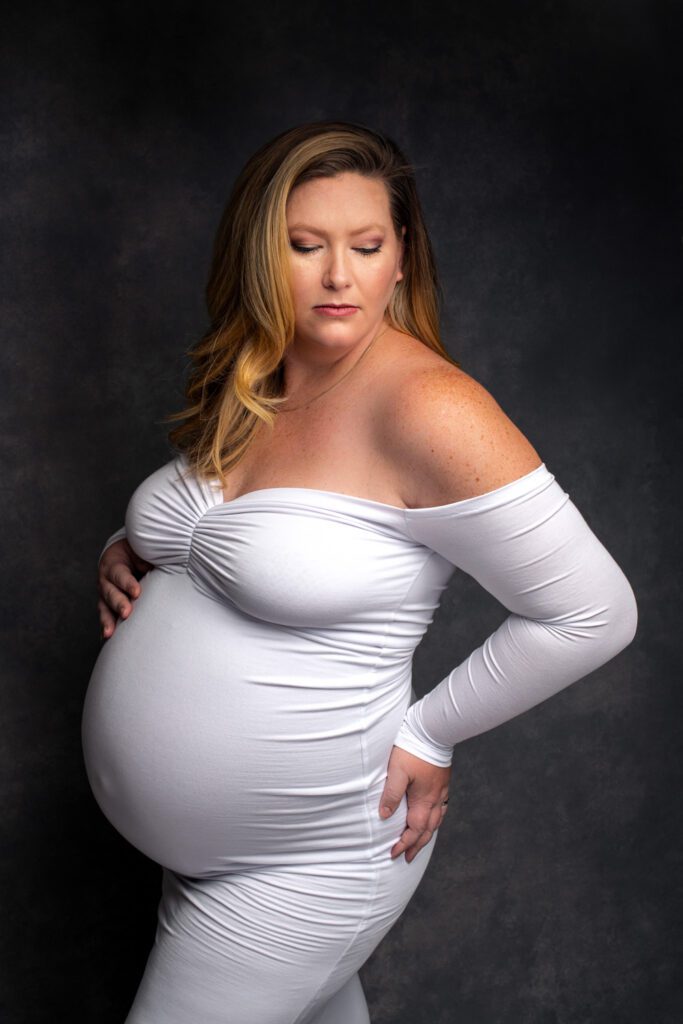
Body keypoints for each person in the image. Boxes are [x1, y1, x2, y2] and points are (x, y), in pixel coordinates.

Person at [85, 120, 638, 1024]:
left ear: (401, 258)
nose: (338, 276)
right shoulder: (259, 374)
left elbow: (593, 614)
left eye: (365, 245)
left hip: (310, 855)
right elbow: (241, 530)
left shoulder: (429, 407)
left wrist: (431, 732)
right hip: (207, 851)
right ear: (259, 258)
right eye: (304, 247)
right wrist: (133, 542)